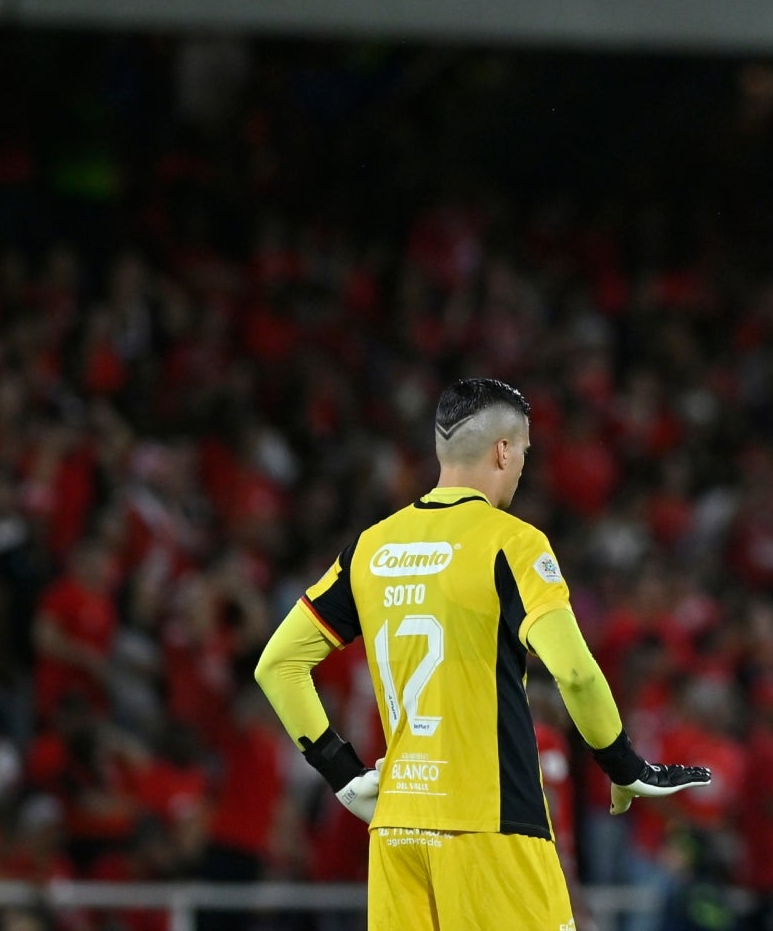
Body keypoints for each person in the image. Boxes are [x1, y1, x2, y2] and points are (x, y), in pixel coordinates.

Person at [254, 377, 712, 930]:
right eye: (522, 453)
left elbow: (277, 665)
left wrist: (344, 774)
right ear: (502, 450)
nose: (520, 466)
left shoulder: (371, 547)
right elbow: (575, 673)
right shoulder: (511, 542)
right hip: (492, 824)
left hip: (398, 830)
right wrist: (624, 765)